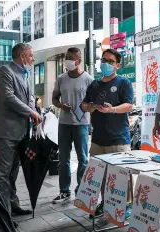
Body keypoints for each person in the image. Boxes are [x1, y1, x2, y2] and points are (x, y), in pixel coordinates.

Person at [81, 48, 134, 219]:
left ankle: (127, 205)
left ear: (117, 65)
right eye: (104, 60)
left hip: (118, 138)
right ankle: (105, 203)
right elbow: (84, 105)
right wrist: (90, 107)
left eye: (110, 61)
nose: (106, 63)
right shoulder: (94, 84)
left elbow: (128, 105)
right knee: (101, 176)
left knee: (122, 176)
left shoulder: (123, 83)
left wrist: (112, 110)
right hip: (98, 140)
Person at [0, 43, 42, 217]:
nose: (32, 59)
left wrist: (35, 114)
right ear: (22, 57)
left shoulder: (25, 75)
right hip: (6, 132)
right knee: (2, 175)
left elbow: (29, 100)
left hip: (21, 133)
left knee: (12, 174)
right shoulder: (5, 71)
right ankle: (3, 215)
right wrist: (31, 112)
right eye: (30, 55)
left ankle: (13, 205)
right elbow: (8, 98)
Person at [52, 47, 93, 203]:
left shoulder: (88, 79)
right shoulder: (61, 78)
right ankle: (64, 191)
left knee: (83, 158)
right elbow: (54, 99)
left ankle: (81, 190)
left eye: (71, 57)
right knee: (63, 159)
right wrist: (61, 105)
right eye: (67, 57)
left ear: (79, 60)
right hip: (64, 123)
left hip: (82, 124)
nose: (68, 60)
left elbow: (93, 103)